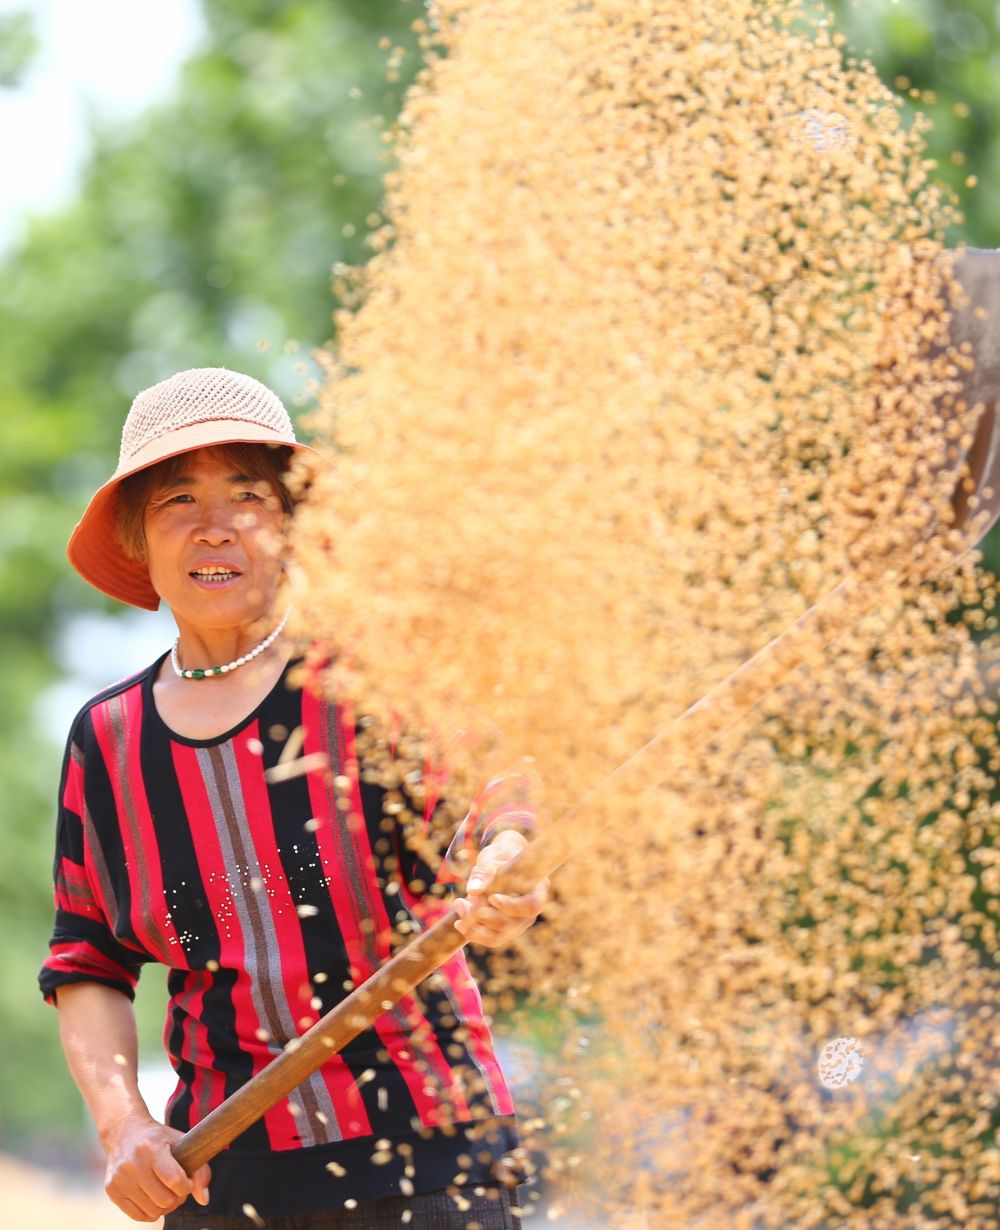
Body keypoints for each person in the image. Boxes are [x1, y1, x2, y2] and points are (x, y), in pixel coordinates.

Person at [39, 367, 548, 1228]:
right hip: (226, 1182)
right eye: (177, 501)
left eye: (249, 495)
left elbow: (492, 801)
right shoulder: (109, 740)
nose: (216, 528)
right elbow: (88, 959)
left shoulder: (368, 684)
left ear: (291, 527)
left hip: (425, 1165)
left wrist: (507, 863)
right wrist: (124, 1124)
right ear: (138, 540)